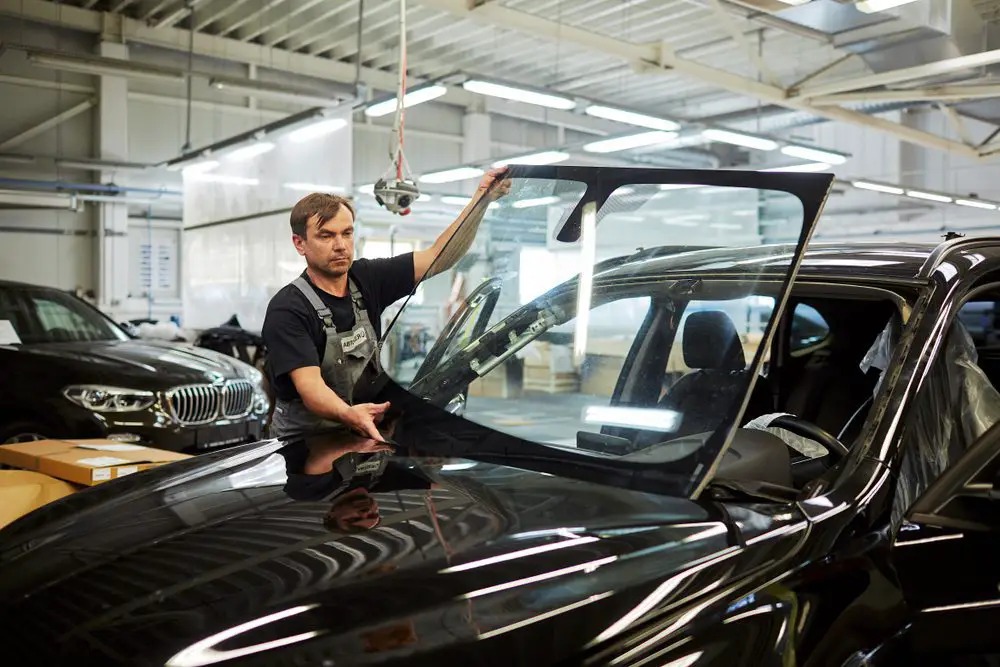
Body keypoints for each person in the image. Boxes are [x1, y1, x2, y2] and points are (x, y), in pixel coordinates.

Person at [262, 168, 511, 441]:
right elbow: (311, 389)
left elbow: (438, 257)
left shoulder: (368, 278)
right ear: (300, 244)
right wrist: (350, 414)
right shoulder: (288, 308)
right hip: (304, 445)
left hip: (361, 429)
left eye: (346, 233)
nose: (340, 245)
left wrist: (481, 200)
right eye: (326, 236)